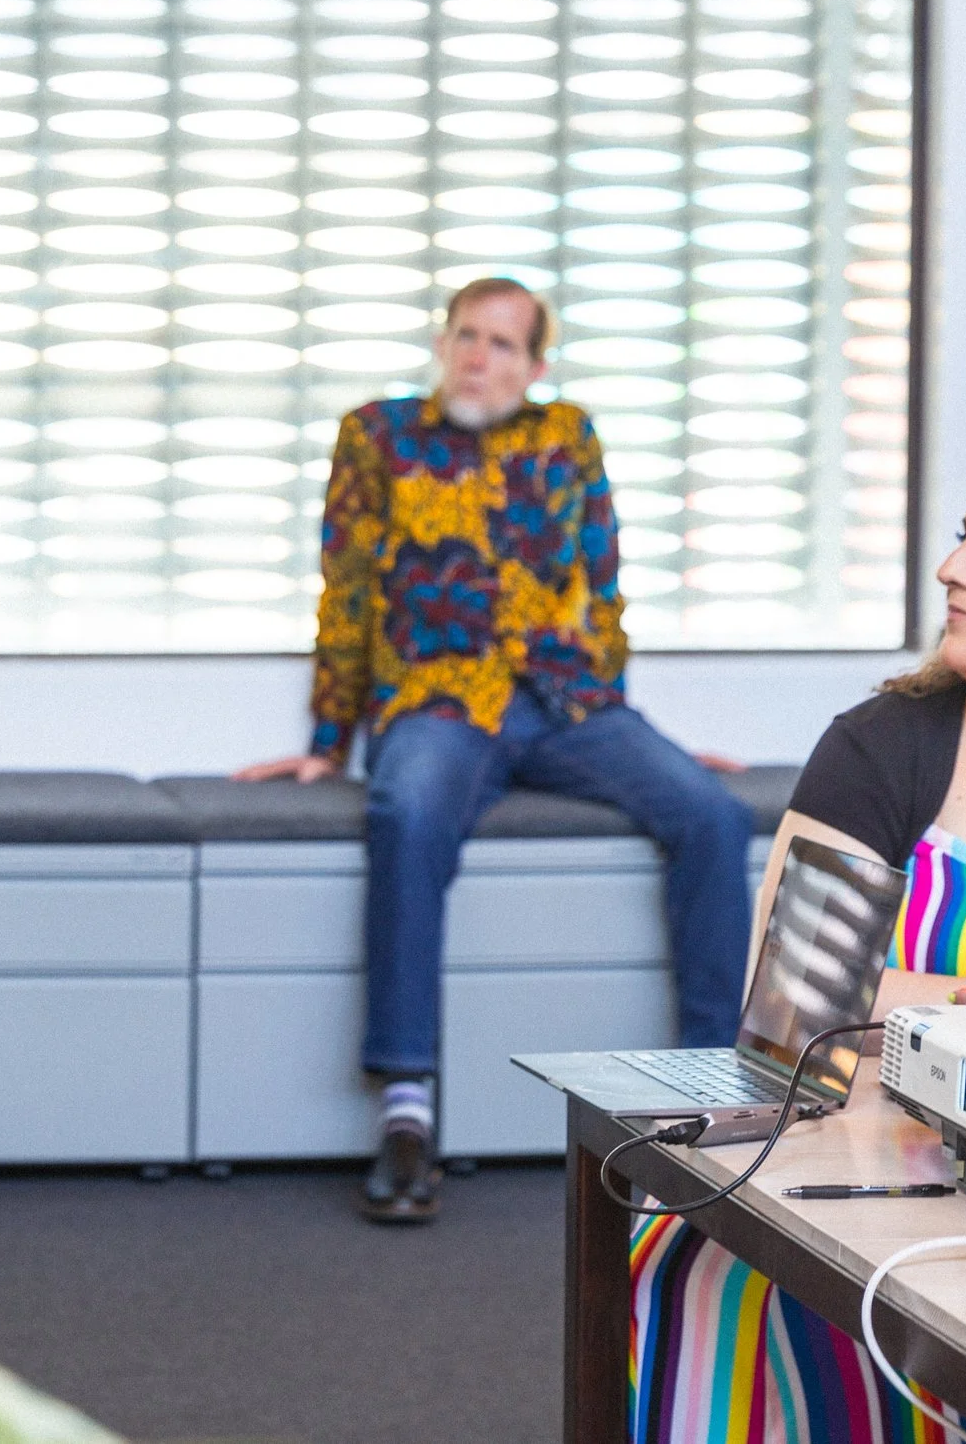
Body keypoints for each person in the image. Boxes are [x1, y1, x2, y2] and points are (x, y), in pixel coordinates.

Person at [234, 277, 752, 1225]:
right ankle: (406, 1110)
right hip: (438, 697)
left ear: (535, 365)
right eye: (467, 336)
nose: (481, 356)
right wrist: (325, 739)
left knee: (712, 811)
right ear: (443, 344)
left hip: (565, 700)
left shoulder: (567, 437)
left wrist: (635, 729)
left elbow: (603, 586)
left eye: (504, 344)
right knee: (405, 811)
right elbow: (344, 589)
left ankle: (710, 1093)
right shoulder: (377, 434)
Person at [629, 471, 966, 1439]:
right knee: (732, 1290)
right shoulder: (881, 746)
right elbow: (798, 997)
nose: (950, 566)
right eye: (964, 534)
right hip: (861, 1185)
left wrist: (919, 1000)